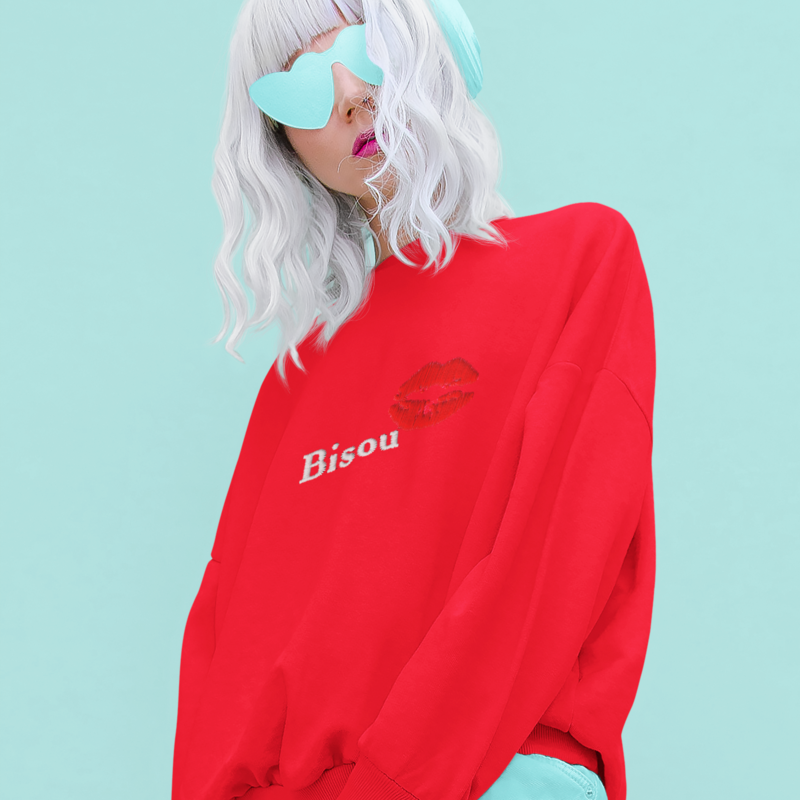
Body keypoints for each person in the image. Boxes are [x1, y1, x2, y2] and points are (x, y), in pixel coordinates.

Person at [171, 2, 656, 800]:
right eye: (301, 86)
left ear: (432, 47)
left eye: (365, 52)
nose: (349, 97)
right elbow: (227, 658)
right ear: (281, 141)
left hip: (501, 777)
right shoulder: (296, 382)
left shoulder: (580, 260)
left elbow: (550, 566)